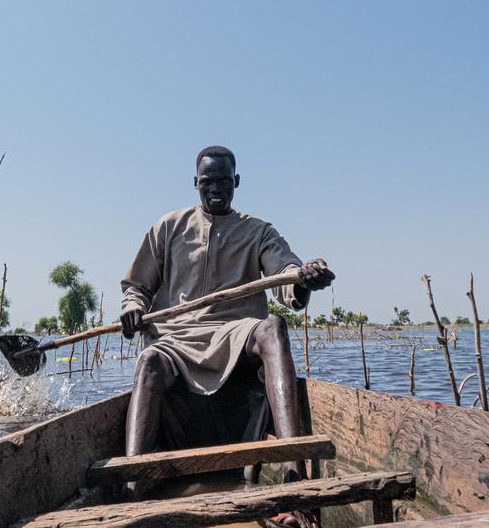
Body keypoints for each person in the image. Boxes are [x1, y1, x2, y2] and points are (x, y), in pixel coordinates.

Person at [120, 145, 334, 523]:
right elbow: (136, 286)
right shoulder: (168, 227)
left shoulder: (258, 231)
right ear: (196, 184)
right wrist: (132, 307)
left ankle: (291, 473)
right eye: (207, 182)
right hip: (177, 338)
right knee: (149, 360)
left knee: (273, 328)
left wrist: (304, 278)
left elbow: (286, 274)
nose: (215, 188)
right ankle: (131, 486)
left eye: (223, 181)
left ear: (236, 182)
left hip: (235, 334)